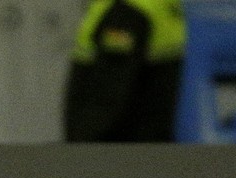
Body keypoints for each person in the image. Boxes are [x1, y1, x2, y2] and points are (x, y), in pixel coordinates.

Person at [63, 0, 186, 142]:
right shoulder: (161, 7)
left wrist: (82, 143)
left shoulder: (126, 13)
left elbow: (108, 93)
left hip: (116, 146)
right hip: (150, 141)